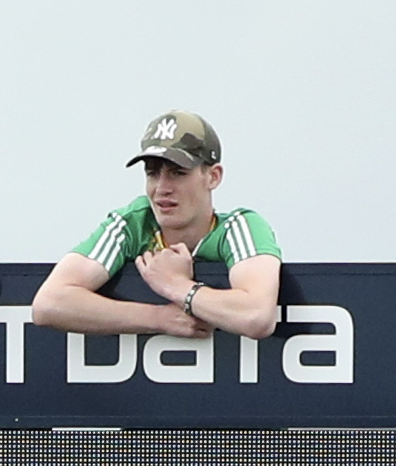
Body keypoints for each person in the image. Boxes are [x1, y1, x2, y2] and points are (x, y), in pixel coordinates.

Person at [28, 111, 282, 344]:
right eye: (152, 173)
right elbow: (49, 303)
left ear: (213, 176)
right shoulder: (134, 222)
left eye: (178, 173)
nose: (161, 188)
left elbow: (257, 316)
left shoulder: (240, 227)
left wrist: (177, 286)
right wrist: (158, 318)